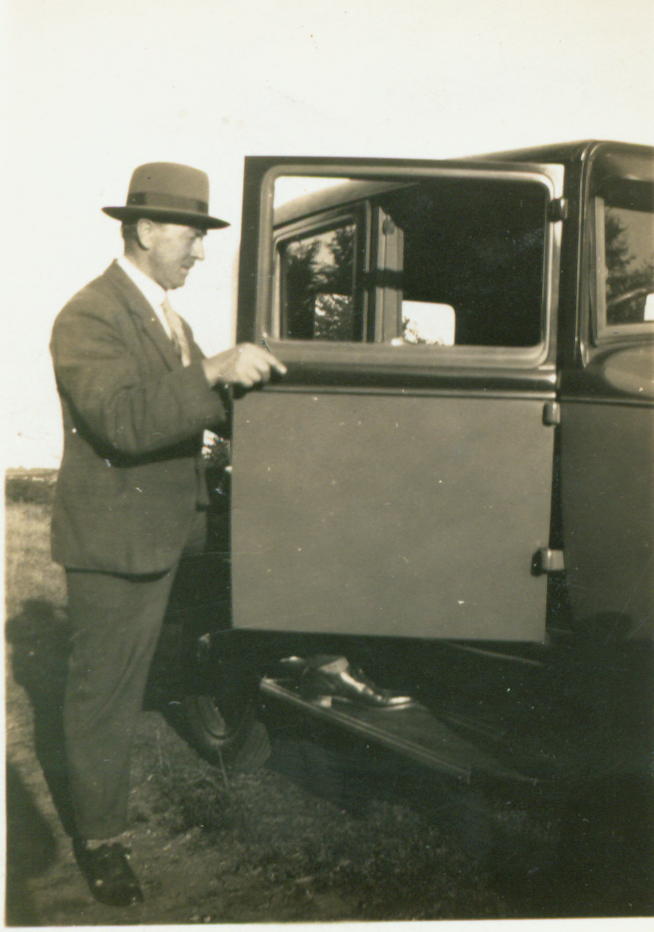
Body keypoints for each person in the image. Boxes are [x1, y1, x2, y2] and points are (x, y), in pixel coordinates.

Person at [50, 161, 286, 906]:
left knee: (173, 665)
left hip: (178, 531)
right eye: (192, 236)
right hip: (118, 544)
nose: (201, 253)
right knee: (106, 694)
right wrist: (213, 371)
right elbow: (123, 420)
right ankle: (102, 842)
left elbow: (195, 407)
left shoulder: (168, 320)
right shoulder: (90, 314)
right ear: (147, 230)